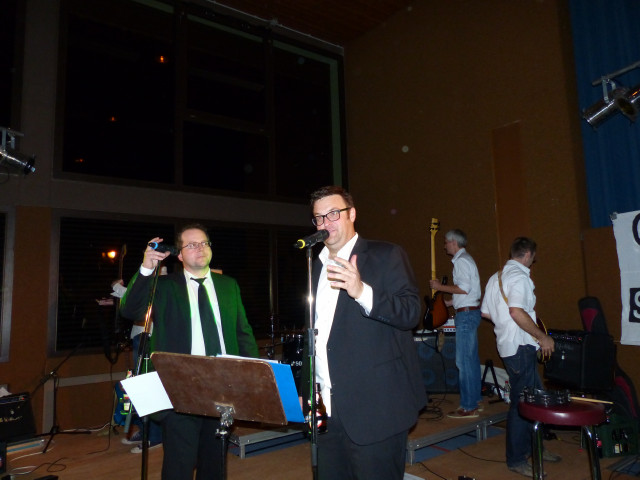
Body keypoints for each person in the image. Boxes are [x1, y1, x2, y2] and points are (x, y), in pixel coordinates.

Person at [301, 185, 426, 480]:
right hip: (327, 408)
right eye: (319, 217)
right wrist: (307, 390)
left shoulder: (386, 254)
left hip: (376, 409)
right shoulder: (315, 266)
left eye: (334, 213)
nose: (325, 223)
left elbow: (411, 313)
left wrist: (361, 291)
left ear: (352, 214)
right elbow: (316, 337)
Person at [120, 223, 259, 480]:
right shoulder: (164, 286)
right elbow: (130, 310)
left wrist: (250, 377)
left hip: (222, 387)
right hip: (180, 388)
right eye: (192, 245)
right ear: (180, 255)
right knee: (179, 464)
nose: (200, 248)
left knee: (214, 462)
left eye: (204, 243)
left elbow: (243, 333)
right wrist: (147, 268)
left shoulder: (228, 285)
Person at [480, 237, 560, 477]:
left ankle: (536, 448)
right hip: (521, 347)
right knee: (522, 405)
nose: (533, 261)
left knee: (535, 399)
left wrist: (505, 324)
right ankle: (516, 459)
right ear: (527, 255)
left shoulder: (496, 277)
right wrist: (542, 337)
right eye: (533, 257)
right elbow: (516, 311)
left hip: (509, 347)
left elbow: (486, 312)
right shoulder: (520, 277)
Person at [429, 229, 483, 418]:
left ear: (453, 242)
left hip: (466, 316)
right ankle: (475, 400)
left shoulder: (461, 261)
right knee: (471, 360)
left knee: (464, 361)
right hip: (470, 312)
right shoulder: (467, 259)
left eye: (446, 242)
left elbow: (464, 288)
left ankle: (468, 406)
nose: (444, 246)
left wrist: (439, 287)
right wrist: (450, 303)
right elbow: (469, 292)